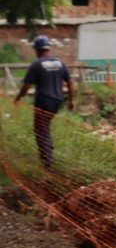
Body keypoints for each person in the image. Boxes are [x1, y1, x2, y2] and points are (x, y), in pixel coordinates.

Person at [13, 36, 74, 170]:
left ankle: (48, 162)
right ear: (48, 48)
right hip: (57, 101)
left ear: (36, 49)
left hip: (44, 101)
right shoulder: (59, 63)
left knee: (40, 130)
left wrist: (18, 98)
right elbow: (69, 82)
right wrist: (71, 100)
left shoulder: (36, 64)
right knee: (45, 127)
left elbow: (26, 86)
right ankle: (48, 147)